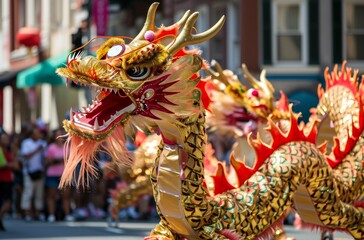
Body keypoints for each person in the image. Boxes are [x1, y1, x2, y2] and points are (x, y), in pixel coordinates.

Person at [45, 129, 73, 222]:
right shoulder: (51, 147)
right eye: (57, 136)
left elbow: (70, 160)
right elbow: (48, 161)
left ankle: (67, 214)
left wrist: (58, 160)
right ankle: (51, 215)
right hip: (52, 174)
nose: (59, 138)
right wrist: (59, 160)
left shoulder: (67, 147)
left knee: (65, 196)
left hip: (64, 175)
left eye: (61, 135)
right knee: (51, 196)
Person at [20, 128, 47, 222]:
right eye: (35, 133)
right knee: (28, 192)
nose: (38, 135)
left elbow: (46, 157)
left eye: (39, 133)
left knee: (39, 193)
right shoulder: (26, 143)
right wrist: (37, 150)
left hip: (39, 171)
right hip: (28, 172)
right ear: (31, 134)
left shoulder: (43, 143)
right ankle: (27, 213)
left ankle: (37, 213)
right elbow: (26, 156)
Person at [0, 132, 18, 231]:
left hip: (7, 179)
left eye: (7, 139)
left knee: (7, 203)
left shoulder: (8, 150)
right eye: (4, 138)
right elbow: (3, 164)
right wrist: (9, 165)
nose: (6, 140)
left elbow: (15, 164)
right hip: (1, 179)